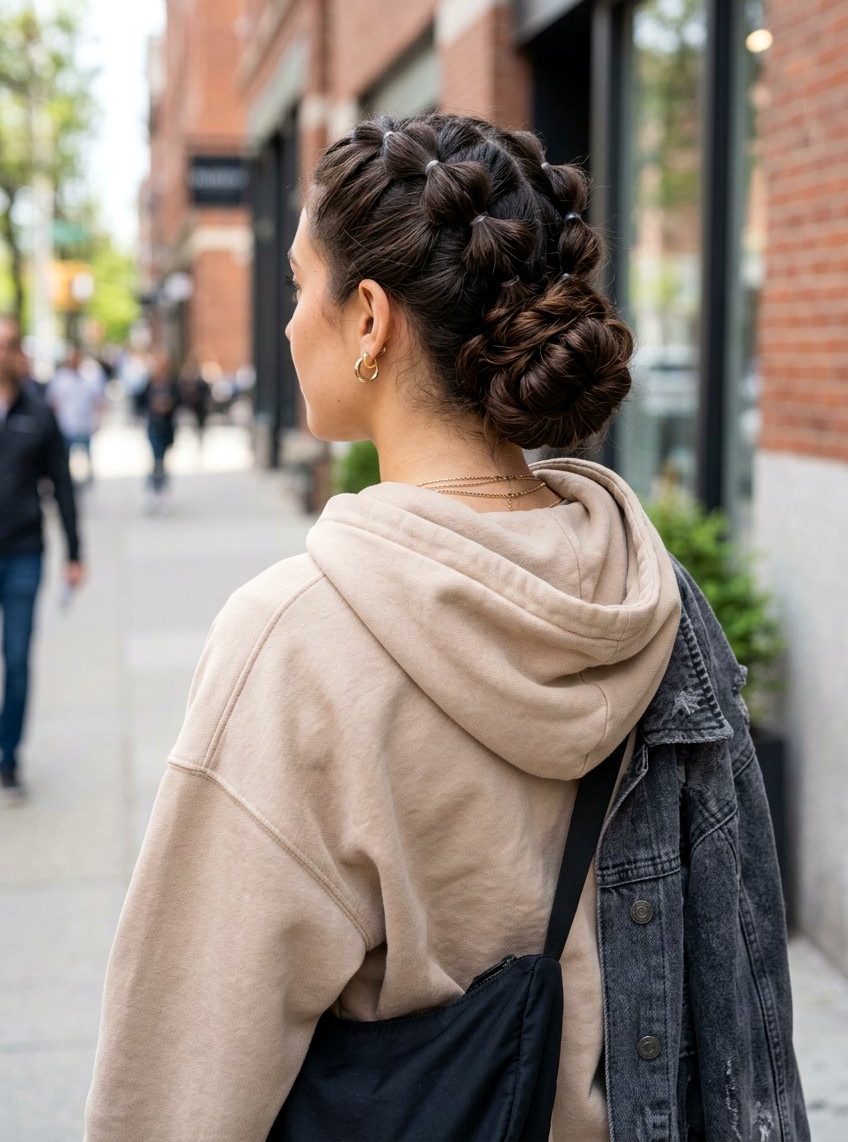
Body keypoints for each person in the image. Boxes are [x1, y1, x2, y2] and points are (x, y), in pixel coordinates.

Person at [84, 115, 808, 1141]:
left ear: (369, 317)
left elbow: (176, 1086)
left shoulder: (295, 644)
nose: (291, 322)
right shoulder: (655, 604)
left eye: (300, 285)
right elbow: (743, 1018)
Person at [0, 315, 84, 799]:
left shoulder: (39, 411)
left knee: (15, 659)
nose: (3, 352)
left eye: (10, 344)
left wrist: (75, 551)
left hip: (24, 554)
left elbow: (62, 485)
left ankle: (8, 758)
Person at [46, 344, 105, 485]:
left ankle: (88, 479)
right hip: (66, 425)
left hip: (84, 424)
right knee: (65, 457)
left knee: (87, 455)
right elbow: (53, 402)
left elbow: (98, 401)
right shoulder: (60, 379)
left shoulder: (89, 377)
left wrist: (98, 420)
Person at [139, 350, 180, 512]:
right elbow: (140, 401)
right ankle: (153, 491)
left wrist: (168, 405)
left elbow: (179, 401)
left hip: (167, 426)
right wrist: (154, 406)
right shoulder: (150, 383)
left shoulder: (172, 384)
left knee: (163, 461)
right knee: (156, 461)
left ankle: (162, 492)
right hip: (154, 425)